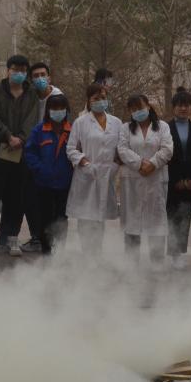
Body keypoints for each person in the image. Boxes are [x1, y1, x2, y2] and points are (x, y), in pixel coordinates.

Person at [0, 54, 41, 256]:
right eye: (15, 69)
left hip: (22, 153)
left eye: (23, 70)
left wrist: (21, 139)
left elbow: (32, 120)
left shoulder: (32, 94)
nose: (19, 73)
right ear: (8, 70)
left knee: (16, 198)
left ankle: (9, 237)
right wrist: (8, 137)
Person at [65, 84, 122, 255]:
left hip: (107, 175)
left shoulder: (116, 123)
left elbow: (121, 150)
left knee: (99, 217)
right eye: (96, 98)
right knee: (85, 217)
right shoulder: (81, 122)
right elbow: (71, 149)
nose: (100, 101)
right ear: (89, 101)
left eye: (103, 97)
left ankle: (96, 254)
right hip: (86, 176)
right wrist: (85, 163)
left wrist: (115, 165)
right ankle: (87, 254)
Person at [118, 94, 175, 265]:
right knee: (132, 222)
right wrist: (140, 164)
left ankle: (157, 263)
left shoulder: (162, 127)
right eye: (134, 109)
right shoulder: (125, 128)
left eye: (140, 107)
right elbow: (122, 149)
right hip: (132, 180)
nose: (138, 111)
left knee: (156, 221)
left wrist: (153, 164)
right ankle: (131, 263)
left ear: (148, 107)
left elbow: (168, 149)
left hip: (155, 179)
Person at [24, 94, 74, 255]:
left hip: (65, 183)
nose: (58, 111)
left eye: (61, 108)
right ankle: (46, 251)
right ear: (48, 110)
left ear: (66, 110)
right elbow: (30, 153)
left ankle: (59, 251)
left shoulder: (72, 130)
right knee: (44, 218)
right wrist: (41, 169)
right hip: (43, 183)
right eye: (54, 108)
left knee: (62, 218)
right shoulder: (39, 130)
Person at [166, 89, 191, 268]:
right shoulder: (166, 128)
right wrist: (176, 180)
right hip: (171, 183)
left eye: (187, 105)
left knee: (185, 217)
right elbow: (166, 156)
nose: (183, 108)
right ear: (174, 107)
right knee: (172, 217)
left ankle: (180, 253)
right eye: (180, 105)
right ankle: (172, 252)